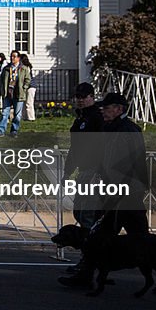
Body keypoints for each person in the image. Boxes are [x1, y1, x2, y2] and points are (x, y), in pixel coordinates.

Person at [59, 91, 150, 289]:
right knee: (99, 235)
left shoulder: (128, 130)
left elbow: (133, 162)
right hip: (110, 190)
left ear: (119, 109)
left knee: (141, 238)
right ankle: (86, 274)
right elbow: (105, 158)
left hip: (127, 193)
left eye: (107, 108)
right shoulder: (110, 128)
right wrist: (98, 175)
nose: (103, 111)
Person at [61, 82, 105, 275]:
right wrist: (68, 171)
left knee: (88, 215)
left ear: (91, 97)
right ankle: (92, 257)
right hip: (82, 169)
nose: (79, 100)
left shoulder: (96, 118)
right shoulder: (80, 119)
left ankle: (88, 262)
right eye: (77, 96)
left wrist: (100, 172)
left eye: (83, 96)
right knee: (80, 212)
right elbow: (74, 147)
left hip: (93, 170)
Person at [0, 51, 31, 138]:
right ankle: (0, 131)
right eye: (11, 56)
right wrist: (3, 90)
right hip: (8, 94)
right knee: (5, 113)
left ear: (18, 58)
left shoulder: (24, 68)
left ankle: (14, 131)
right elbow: (1, 80)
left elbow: (28, 79)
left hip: (18, 94)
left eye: (14, 56)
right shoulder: (6, 68)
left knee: (17, 114)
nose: (12, 58)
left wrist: (24, 88)